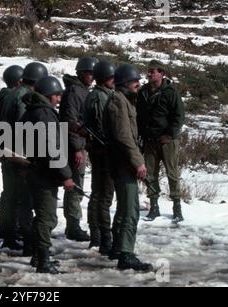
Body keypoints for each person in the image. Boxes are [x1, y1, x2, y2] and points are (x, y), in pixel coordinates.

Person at [22, 76, 74, 274]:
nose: (59, 99)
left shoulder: (32, 112)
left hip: (36, 169)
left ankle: (38, 256)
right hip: (45, 173)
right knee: (47, 218)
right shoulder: (44, 113)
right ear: (47, 95)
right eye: (56, 95)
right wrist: (66, 175)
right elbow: (54, 148)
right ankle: (43, 261)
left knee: (42, 217)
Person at [0, 62, 48, 256]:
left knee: (11, 195)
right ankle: (27, 240)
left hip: (7, 153)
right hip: (18, 156)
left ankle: (9, 235)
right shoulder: (24, 97)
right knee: (24, 199)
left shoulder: (11, 94)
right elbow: (23, 128)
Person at [106, 64, 152, 271]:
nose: (138, 84)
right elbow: (123, 136)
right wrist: (138, 161)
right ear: (125, 82)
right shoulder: (118, 100)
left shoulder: (123, 100)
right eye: (135, 81)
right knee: (130, 210)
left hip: (123, 161)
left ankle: (118, 248)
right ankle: (126, 253)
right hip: (123, 162)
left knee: (125, 208)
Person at [137, 60, 185, 223]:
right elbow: (139, 116)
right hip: (149, 139)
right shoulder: (143, 92)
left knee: (172, 173)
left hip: (167, 141)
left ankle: (177, 207)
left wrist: (170, 135)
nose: (149, 74)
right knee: (150, 174)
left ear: (161, 73)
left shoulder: (171, 92)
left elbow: (179, 116)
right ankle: (154, 206)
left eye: (153, 71)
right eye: (148, 71)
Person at [59, 56, 98, 242]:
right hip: (74, 146)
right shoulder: (75, 91)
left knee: (76, 184)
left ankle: (73, 225)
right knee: (75, 184)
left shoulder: (81, 90)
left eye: (93, 74)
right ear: (81, 73)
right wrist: (76, 148)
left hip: (80, 145)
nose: (92, 77)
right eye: (89, 73)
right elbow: (70, 121)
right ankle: (73, 226)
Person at [83, 60, 116, 254]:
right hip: (103, 151)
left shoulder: (95, 95)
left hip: (97, 150)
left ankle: (97, 236)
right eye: (112, 78)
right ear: (105, 78)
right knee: (104, 196)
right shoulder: (100, 97)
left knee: (97, 194)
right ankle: (104, 239)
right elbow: (103, 125)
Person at [0, 65, 24, 250]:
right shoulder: (17, 98)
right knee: (16, 194)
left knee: (9, 193)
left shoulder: (4, 98)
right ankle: (11, 232)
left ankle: (7, 230)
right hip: (16, 152)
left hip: (6, 149)